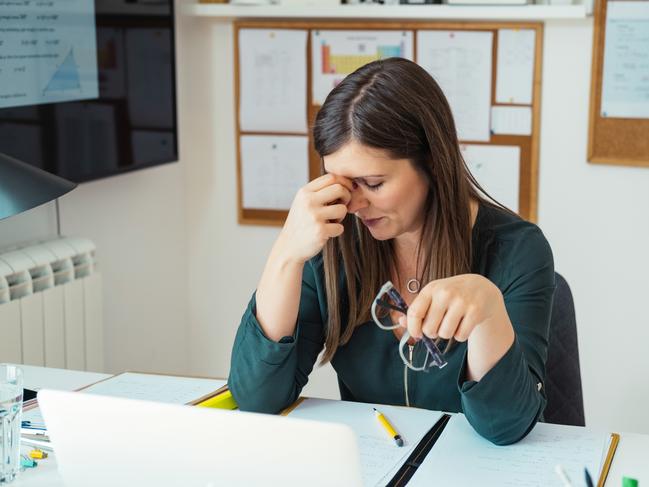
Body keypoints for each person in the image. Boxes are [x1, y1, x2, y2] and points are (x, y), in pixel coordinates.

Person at [228, 57, 555, 445]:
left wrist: (488, 310)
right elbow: (255, 398)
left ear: (432, 163)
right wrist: (285, 255)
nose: (354, 204)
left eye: (373, 183)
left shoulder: (517, 249)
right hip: (373, 465)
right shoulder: (332, 243)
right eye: (343, 183)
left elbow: (506, 427)